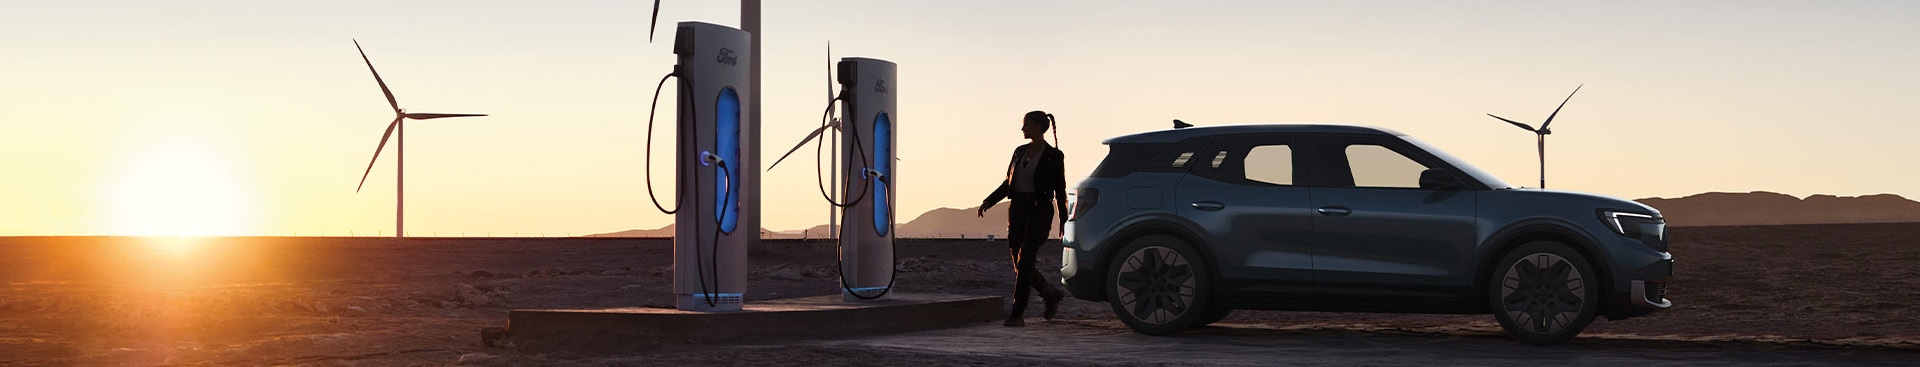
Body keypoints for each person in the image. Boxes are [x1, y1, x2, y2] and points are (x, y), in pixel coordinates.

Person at [978, 110, 1068, 327]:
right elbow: (1008, 183)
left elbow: (1060, 189)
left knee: (1026, 258)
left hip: (1040, 210)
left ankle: (1017, 312)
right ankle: (1050, 293)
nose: (1023, 129)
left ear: (1039, 126)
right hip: (1018, 209)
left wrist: (1064, 220)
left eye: (1027, 124)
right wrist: (989, 201)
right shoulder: (1019, 152)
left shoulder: (1054, 156)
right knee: (1020, 262)